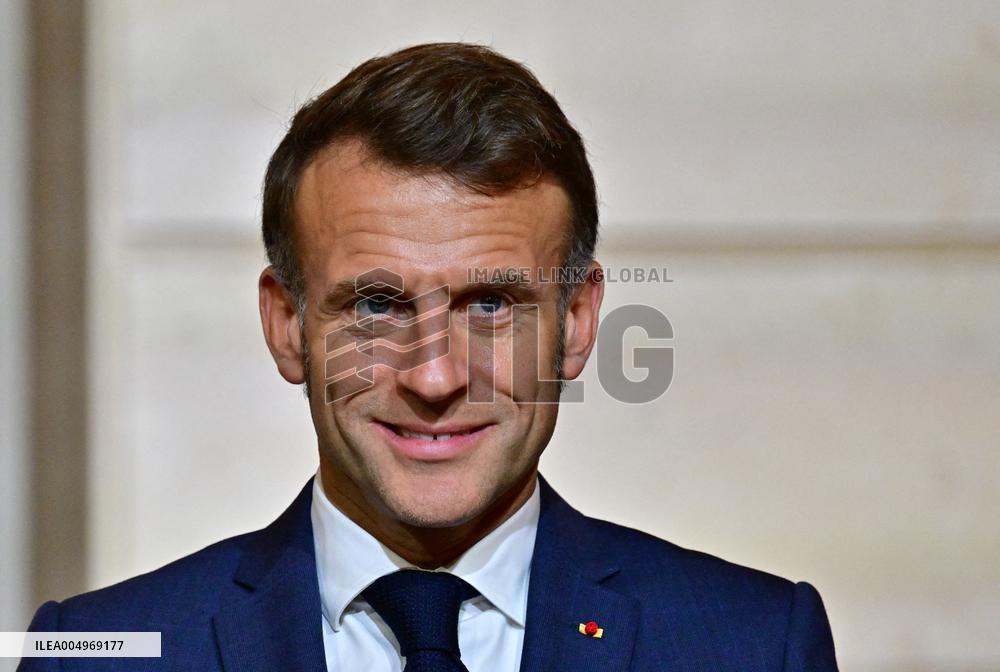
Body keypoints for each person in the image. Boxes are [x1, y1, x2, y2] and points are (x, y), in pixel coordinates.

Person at [21, 42, 838, 671]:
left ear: (578, 322)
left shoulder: (755, 645)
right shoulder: (89, 652)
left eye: (491, 305)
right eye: (376, 306)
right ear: (286, 324)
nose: (435, 377)